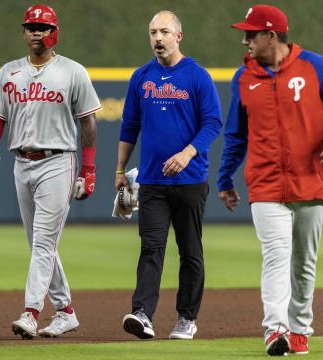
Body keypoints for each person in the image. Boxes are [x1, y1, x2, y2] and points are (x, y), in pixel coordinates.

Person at [218, 4, 323, 356]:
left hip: (312, 178)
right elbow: (236, 135)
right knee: (277, 254)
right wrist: (224, 177)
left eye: (251, 34)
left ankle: (299, 329)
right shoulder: (244, 77)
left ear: (271, 35)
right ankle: (275, 331)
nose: (245, 40)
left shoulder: (315, 66)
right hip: (265, 182)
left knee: (304, 262)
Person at [0, 4, 101, 339]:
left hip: (58, 162)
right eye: (31, 26)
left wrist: (88, 170)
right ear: (23, 32)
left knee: (44, 241)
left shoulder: (73, 71)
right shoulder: (9, 71)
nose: (36, 32)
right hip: (22, 163)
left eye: (43, 27)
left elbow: (88, 122)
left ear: (55, 32)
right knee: (39, 245)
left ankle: (31, 312)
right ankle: (66, 311)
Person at [116, 10, 222, 341]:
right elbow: (129, 126)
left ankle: (186, 318)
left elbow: (213, 123)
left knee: (190, 250)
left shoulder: (197, 76)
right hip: (151, 182)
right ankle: (142, 313)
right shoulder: (141, 77)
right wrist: (120, 170)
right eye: (152, 32)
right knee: (151, 248)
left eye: (164, 31)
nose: (157, 38)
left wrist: (187, 153)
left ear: (178, 36)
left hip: (190, 179)